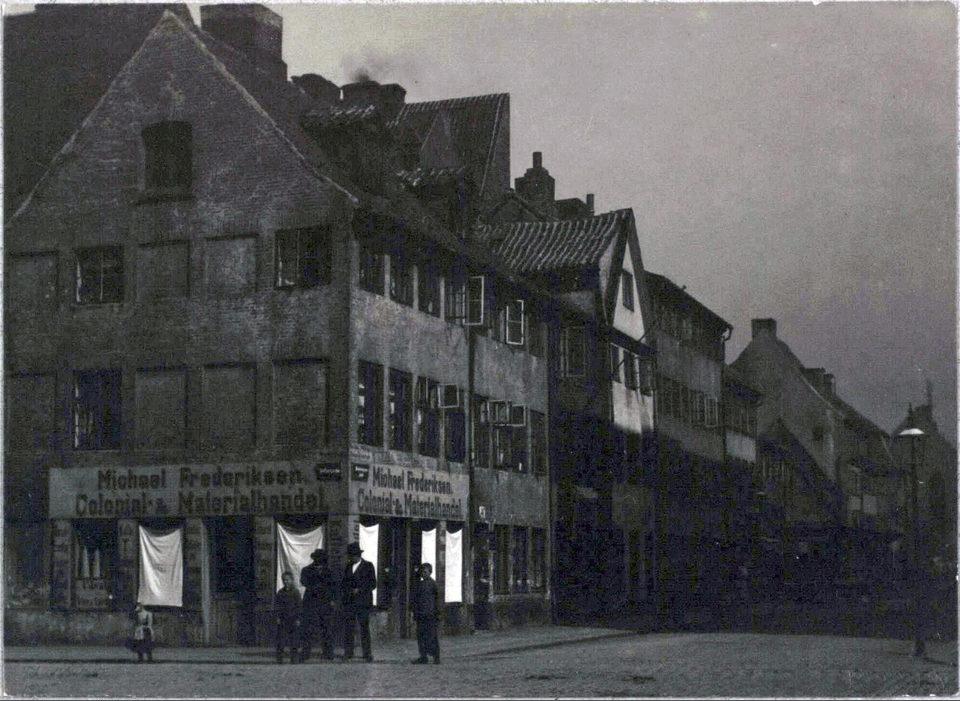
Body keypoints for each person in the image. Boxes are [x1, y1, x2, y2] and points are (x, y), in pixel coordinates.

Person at [341, 542, 377, 662]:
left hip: (363, 603)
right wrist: (348, 591)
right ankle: (348, 652)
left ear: (358, 555)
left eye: (353, 556)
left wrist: (360, 589)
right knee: (349, 628)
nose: (351, 558)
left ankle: (367, 653)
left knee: (364, 628)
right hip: (350, 602)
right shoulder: (348, 567)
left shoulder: (368, 566)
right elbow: (344, 583)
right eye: (350, 556)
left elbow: (373, 583)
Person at [299, 548, 336, 662]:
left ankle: (328, 653)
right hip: (311, 602)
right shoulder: (307, 570)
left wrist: (332, 600)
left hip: (325, 603)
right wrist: (315, 587)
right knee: (308, 628)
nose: (319, 561)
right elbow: (303, 581)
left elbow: (333, 586)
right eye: (317, 558)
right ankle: (306, 653)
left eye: (321, 559)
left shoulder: (328, 571)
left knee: (326, 628)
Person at [411, 563, 441, 664]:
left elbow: (437, 600)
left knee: (432, 636)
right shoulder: (419, 584)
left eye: (425, 572)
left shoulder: (433, 584)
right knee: (421, 636)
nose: (423, 574)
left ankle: (436, 657)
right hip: (421, 614)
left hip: (430, 614)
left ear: (430, 572)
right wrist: (415, 612)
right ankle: (423, 656)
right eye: (422, 572)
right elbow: (416, 599)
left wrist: (437, 613)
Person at [275, 570, 302, 663]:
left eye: (288, 580)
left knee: (294, 640)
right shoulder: (280, 593)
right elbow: (277, 606)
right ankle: (279, 659)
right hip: (283, 618)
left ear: (292, 580)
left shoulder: (296, 592)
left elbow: (299, 606)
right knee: (281, 640)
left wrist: (298, 618)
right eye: (284, 580)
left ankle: (294, 658)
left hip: (293, 618)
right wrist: (278, 617)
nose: (286, 582)